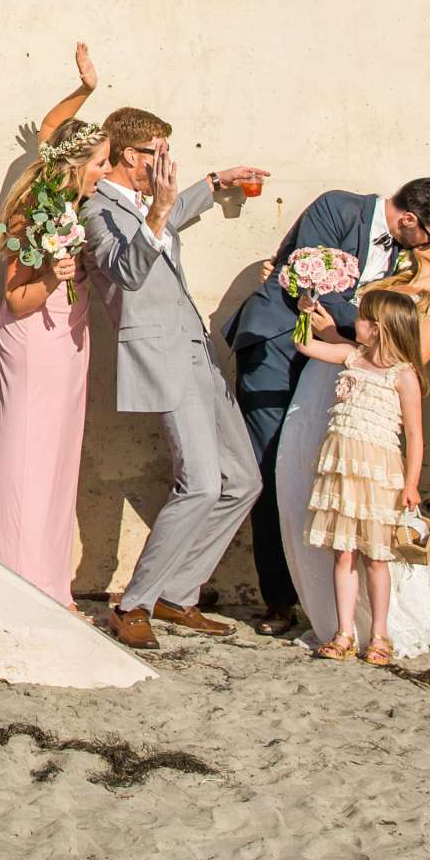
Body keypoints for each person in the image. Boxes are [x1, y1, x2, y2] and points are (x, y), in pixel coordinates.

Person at [260, 179, 430, 659]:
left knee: (367, 522)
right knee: (306, 489)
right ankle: (335, 618)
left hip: (364, 413)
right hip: (327, 389)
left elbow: (400, 364)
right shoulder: (389, 276)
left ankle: (376, 625)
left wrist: (335, 337)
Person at [84, 107, 268, 651]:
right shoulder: (96, 209)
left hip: (197, 350)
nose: (166, 162)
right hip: (160, 355)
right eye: (157, 153)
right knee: (202, 483)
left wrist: (214, 183)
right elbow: (126, 270)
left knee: (243, 481)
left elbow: (174, 209)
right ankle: (134, 604)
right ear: (127, 155)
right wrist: (161, 210)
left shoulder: (149, 202)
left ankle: (177, 593)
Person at [0, 45, 109, 609]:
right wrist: (57, 279)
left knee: (58, 460)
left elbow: (54, 129)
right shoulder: (31, 210)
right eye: (101, 162)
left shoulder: (72, 203)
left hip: (69, 338)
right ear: (77, 165)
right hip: (34, 336)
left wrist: (86, 90)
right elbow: (17, 297)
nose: (106, 172)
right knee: (26, 458)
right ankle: (20, 580)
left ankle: (52, 582)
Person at [295, 286, 427, 667]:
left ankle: (380, 632)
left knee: (376, 557)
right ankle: (344, 631)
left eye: (365, 318)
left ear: (381, 328)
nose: (358, 323)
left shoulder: (403, 377)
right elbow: (305, 346)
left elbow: (415, 435)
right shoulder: (351, 357)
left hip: (378, 473)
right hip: (342, 468)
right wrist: (305, 312)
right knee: (343, 554)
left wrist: (411, 483)